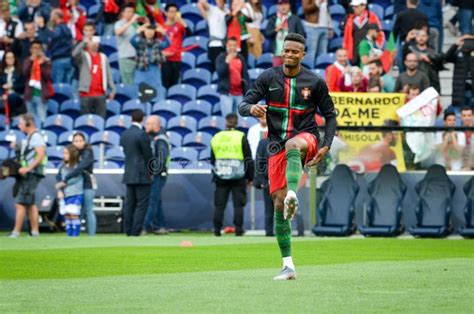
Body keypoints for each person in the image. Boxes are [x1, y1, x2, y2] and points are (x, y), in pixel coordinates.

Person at [239, 33, 337, 280]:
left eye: (295, 51)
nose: (290, 54)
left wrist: (326, 145)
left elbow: (330, 116)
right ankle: (288, 266)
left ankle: (293, 191)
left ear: (303, 54)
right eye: (287, 50)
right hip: (275, 146)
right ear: (282, 52)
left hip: (307, 139)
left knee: (294, 143)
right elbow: (243, 104)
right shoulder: (268, 77)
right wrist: (251, 108)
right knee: (279, 205)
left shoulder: (315, 82)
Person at [210, 113, 254, 237]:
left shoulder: (216, 137)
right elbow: (248, 159)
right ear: (236, 122)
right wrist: (250, 177)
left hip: (220, 175)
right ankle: (238, 230)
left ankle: (217, 230)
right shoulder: (241, 136)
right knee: (238, 205)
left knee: (219, 204)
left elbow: (212, 159)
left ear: (225, 122)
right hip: (238, 175)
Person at [8, 113, 46, 238]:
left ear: (28, 123)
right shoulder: (31, 137)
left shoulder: (36, 137)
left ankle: (16, 232)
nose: (19, 126)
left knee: (20, 203)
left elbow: (40, 155)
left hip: (32, 174)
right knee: (30, 204)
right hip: (31, 173)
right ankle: (35, 232)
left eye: (21, 123)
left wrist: (28, 168)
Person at [56, 132, 97, 236]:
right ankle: (75, 234)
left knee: (88, 209)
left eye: (80, 140)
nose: (78, 143)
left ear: (84, 141)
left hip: (87, 183)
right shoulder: (72, 153)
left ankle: (91, 236)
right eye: (76, 141)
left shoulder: (88, 152)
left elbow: (81, 167)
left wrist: (66, 180)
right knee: (76, 211)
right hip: (76, 186)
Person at [120, 109, 153, 236]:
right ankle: (135, 230)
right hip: (142, 174)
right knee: (142, 204)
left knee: (130, 204)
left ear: (131, 119)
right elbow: (148, 155)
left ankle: (127, 230)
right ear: (143, 119)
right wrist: (152, 171)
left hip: (128, 172)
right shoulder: (142, 134)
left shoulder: (125, 134)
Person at [73, 35, 116, 118]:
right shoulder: (84, 56)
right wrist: (83, 42)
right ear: (88, 44)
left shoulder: (103, 57)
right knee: (84, 119)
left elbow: (108, 74)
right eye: (92, 42)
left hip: (100, 93)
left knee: (100, 118)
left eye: (96, 43)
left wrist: (113, 89)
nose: (94, 44)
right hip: (86, 93)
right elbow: (74, 54)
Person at [143, 115, 170, 235]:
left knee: (152, 200)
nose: (145, 125)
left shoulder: (160, 139)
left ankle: (144, 226)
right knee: (156, 200)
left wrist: (152, 172)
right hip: (159, 173)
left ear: (156, 125)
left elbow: (161, 159)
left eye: (148, 123)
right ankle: (160, 225)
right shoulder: (156, 138)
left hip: (158, 174)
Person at [131, 22, 169, 98]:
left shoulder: (157, 42)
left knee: (155, 90)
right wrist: (137, 31)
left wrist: (164, 33)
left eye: (151, 31)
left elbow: (168, 43)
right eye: (147, 30)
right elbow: (132, 41)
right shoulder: (140, 42)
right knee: (141, 92)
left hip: (154, 70)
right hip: (141, 69)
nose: (149, 32)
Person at [215, 36, 250, 118]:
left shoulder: (240, 58)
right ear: (227, 45)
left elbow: (245, 75)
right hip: (227, 94)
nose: (232, 47)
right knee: (228, 120)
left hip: (240, 94)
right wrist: (227, 61)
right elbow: (220, 73)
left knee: (240, 120)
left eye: (234, 45)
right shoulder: (221, 57)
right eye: (230, 45)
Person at [343, 0, 384, 66]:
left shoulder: (372, 17)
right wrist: (347, 51)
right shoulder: (350, 19)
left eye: (356, 6)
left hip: (369, 52)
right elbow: (346, 37)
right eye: (353, 6)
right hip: (354, 53)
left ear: (363, 6)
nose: (354, 8)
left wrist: (376, 48)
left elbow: (380, 34)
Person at [264, 0, 305, 67]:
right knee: (277, 76)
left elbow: (302, 35)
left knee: (291, 75)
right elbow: (267, 33)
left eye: (285, 4)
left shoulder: (295, 19)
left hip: (291, 54)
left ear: (289, 5)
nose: (283, 6)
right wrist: (276, 30)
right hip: (277, 53)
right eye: (281, 4)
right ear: (277, 6)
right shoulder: (273, 19)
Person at [56, 145, 84, 237]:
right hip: (65, 194)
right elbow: (59, 179)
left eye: (66, 153)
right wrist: (59, 190)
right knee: (67, 215)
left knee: (73, 214)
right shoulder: (62, 167)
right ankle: (69, 235)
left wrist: (64, 183)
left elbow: (75, 179)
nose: (64, 155)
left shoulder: (77, 167)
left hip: (75, 193)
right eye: (64, 153)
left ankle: (75, 235)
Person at [22, 40, 53, 124]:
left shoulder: (46, 62)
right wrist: (32, 61)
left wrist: (42, 64)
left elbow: (48, 76)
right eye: (34, 48)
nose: (36, 50)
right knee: (30, 121)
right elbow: (25, 73)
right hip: (29, 94)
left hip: (41, 94)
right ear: (30, 50)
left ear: (41, 50)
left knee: (42, 120)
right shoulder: (27, 61)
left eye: (38, 48)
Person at [161, 3, 190, 89]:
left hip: (176, 58)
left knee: (174, 84)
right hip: (164, 59)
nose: (173, 14)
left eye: (175, 12)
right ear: (166, 13)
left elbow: (189, 33)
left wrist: (182, 21)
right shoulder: (161, 27)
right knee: (165, 83)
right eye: (171, 11)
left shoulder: (179, 25)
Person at [444, 35, 474, 109]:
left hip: (472, 91)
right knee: (458, 114)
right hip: (460, 92)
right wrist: (456, 44)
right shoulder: (458, 54)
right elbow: (446, 57)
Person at [45, 9, 74, 84]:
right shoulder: (67, 28)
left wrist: (44, 29)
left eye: (52, 15)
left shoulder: (58, 28)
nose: (50, 17)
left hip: (59, 59)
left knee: (58, 86)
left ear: (56, 16)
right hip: (69, 59)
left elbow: (54, 37)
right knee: (67, 87)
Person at [198, 0, 227, 73]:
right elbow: (201, 3)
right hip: (215, 44)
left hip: (225, 44)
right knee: (216, 68)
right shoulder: (212, 10)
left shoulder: (228, 11)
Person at [254, 136, 274, 237]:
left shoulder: (287, 141)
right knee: (269, 208)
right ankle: (269, 232)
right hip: (269, 181)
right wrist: (261, 180)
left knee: (283, 208)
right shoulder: (263, 142)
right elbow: (259, 161)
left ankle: (282, 231)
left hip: (283, 180)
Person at [115, 5, 139, 85]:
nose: (131, 14)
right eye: (128, 11)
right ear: (123, 13)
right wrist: (131, 21)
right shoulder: (119, 23)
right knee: (128, 84)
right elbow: (118, 32)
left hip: (137, 58)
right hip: (126, 57)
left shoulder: (135, 25)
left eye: (132, 12)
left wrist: (146, 23)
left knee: (137, 84)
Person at [0, 51, 26, 118]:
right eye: (8, 58)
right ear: (4, 60)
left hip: (17, 95)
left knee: (11, 97)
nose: (10, 59)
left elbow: (23, 85)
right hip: (4, 96)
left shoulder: (20, 71)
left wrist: (11, 86)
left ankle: (12, 117)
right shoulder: (1, 73)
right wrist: (2, 94)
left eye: (12, 57)